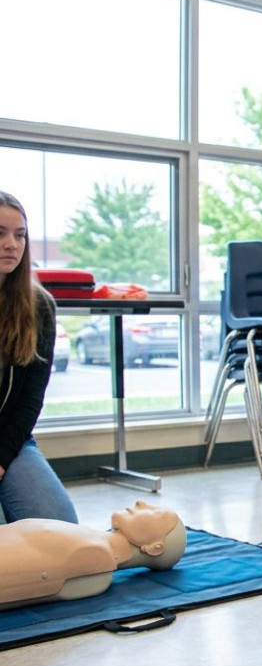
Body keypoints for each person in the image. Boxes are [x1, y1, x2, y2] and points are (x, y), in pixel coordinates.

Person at [0, 191, 77, 526]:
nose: (11, 244)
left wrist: (2, 460)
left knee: (62, 531)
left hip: (10, 439)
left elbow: (31, 398)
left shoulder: (39, 305)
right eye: (0, 233)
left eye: (20, 235)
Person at [0, 502, 185, 609]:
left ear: (154, 547)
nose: (140, 503)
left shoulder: (95, 556)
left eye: (155, 512)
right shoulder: (92, 543)